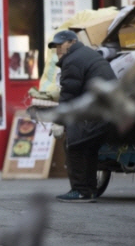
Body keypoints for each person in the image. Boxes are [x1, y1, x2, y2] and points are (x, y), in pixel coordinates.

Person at [48, 30, 116, 203]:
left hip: (96, 111)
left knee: (74, 144)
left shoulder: (73, 60)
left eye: (60, 45)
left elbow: (69, 94)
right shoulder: (86, 54)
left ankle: (80, 191)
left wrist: (58, 122)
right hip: (106, 111)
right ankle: (90, 190)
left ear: (71, 42)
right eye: (55, 46)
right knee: (88, 147)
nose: (58, 50)